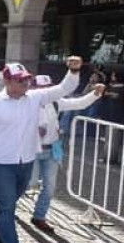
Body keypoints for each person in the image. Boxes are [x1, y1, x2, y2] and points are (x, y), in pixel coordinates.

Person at [0, 57, 83, 243]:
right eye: (19, 81)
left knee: (9, 203)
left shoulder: (35, 98)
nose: (25, 84)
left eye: (26, 80)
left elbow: (63, 88)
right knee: (8, 209)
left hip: (26, 162)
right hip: (1, 164)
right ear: (7, 81)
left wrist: (73, 70)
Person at [28, 74, 104, 233]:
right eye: (40, 87)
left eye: (47, 87)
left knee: (49, 187)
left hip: (51, 150)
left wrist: (94, 94)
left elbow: (77, 103)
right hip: (32, 150)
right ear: (33, 88)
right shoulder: (26, 103)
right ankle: (8, 209)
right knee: (28, 183)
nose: (44, 91)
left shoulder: (56, 102)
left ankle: (39, 216)